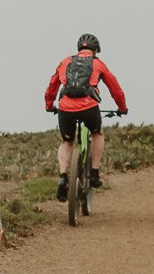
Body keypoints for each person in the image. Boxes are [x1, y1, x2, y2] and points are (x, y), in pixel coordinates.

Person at [43, 34, 128, 200]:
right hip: (89, 107)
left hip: (65, 108)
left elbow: (52, 85)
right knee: (97, 133)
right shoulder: (98, 64)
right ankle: (95, 172)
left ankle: (63, 177)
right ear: (95, 51)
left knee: (67, 142)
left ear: (79, 49)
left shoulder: (66, 62)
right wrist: (122, 108)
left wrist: (49, 105)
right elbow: (115, 88)